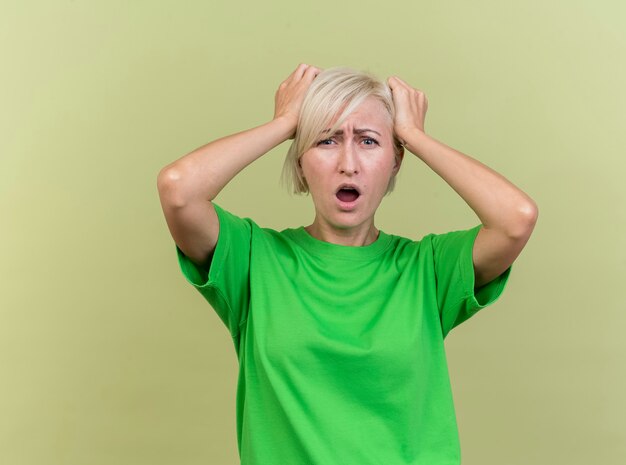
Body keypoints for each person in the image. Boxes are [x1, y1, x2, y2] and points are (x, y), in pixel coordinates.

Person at [156, 63, 538, 465]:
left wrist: (414, 136)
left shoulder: (428, 269)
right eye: (326, 141)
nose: (348, 163)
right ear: (300, 160)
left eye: (369, 141)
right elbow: (179, 189)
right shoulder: (253, 260)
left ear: (396, 161)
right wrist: (285, 122)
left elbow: (516, 218)